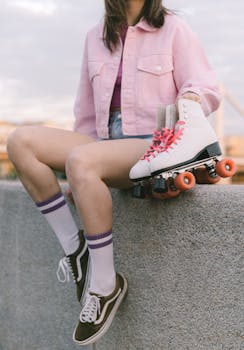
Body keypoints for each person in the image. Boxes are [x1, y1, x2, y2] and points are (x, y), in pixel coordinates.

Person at [7, 0, 221, 346]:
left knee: (82, 160)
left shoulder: (173, 29)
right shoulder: (95, 37)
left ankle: (105, 285)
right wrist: (81, 170)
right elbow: (86, 113)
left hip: (152, 146)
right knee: (21, 141)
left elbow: (205, 86)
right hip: (103, 145)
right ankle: (75, 250)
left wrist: (191, 102)